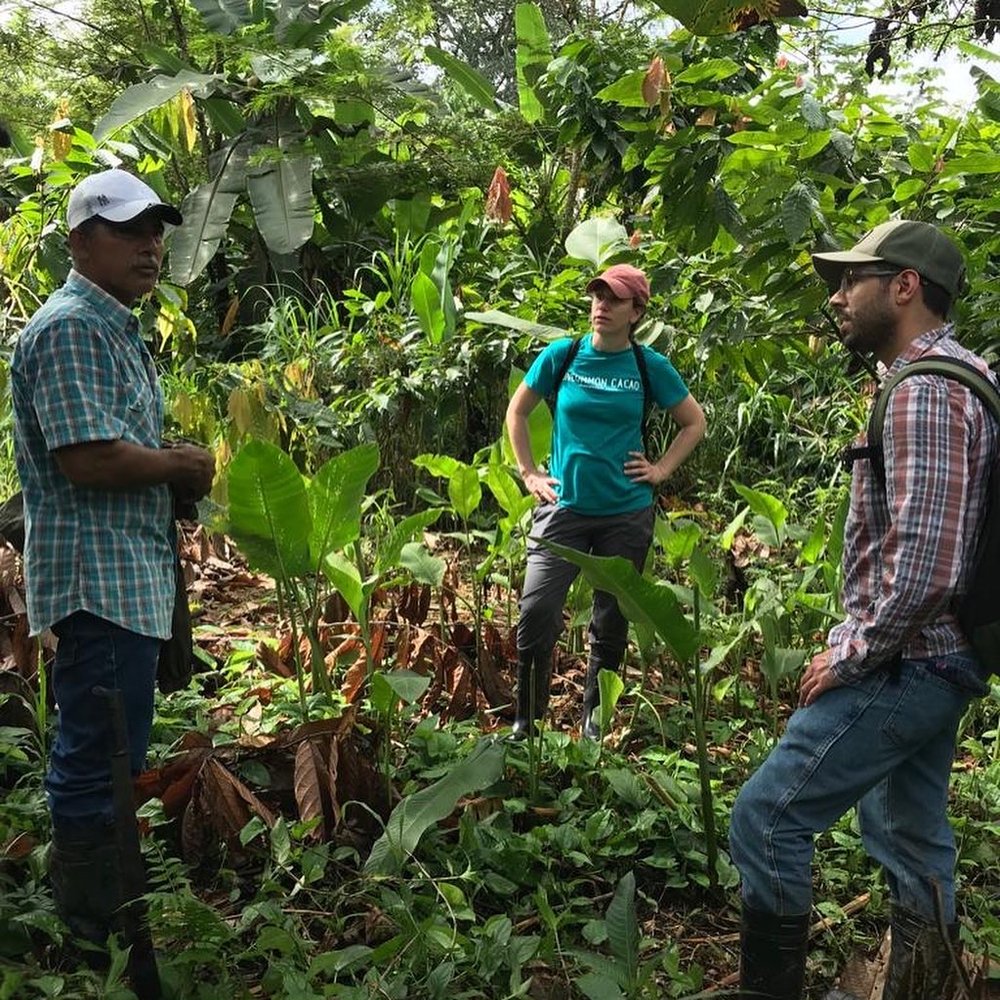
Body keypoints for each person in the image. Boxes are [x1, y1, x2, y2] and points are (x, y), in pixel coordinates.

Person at [728, 220, 997, 1000]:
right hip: (941, 655)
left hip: (910, 658)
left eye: (853, 280)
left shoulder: (924, 391)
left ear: (905, 286)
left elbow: (923, 564)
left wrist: (850, 653)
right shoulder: (966, 375)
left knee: (767, 817)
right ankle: (922, 985)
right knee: (909, 835)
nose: (838, 297)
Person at [11, 169, 215, 949]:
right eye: (130, 231)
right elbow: (87, 459)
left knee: (115, 742)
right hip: (98, 584)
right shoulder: (71, 328)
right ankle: (95, 928)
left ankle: (107, 909)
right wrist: (179, 466)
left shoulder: (111, 326)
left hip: (125, 581)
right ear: (80, 242)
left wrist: (167, 466)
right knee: (96, 751)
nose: (150, 246)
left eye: (155, 230)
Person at [505, 263, 706, 740]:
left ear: (636, 311)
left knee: (610, 620)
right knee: (536, 611)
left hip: (625, 512)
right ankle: (526, 720)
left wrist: (660, 470)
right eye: (598, 296)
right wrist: (529, 472)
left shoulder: (647, 366)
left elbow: (693, 422)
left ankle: (595, 724)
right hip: (564, 507)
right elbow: (518, 411)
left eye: (614, 299)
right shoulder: (563, 355)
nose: (602, 306)